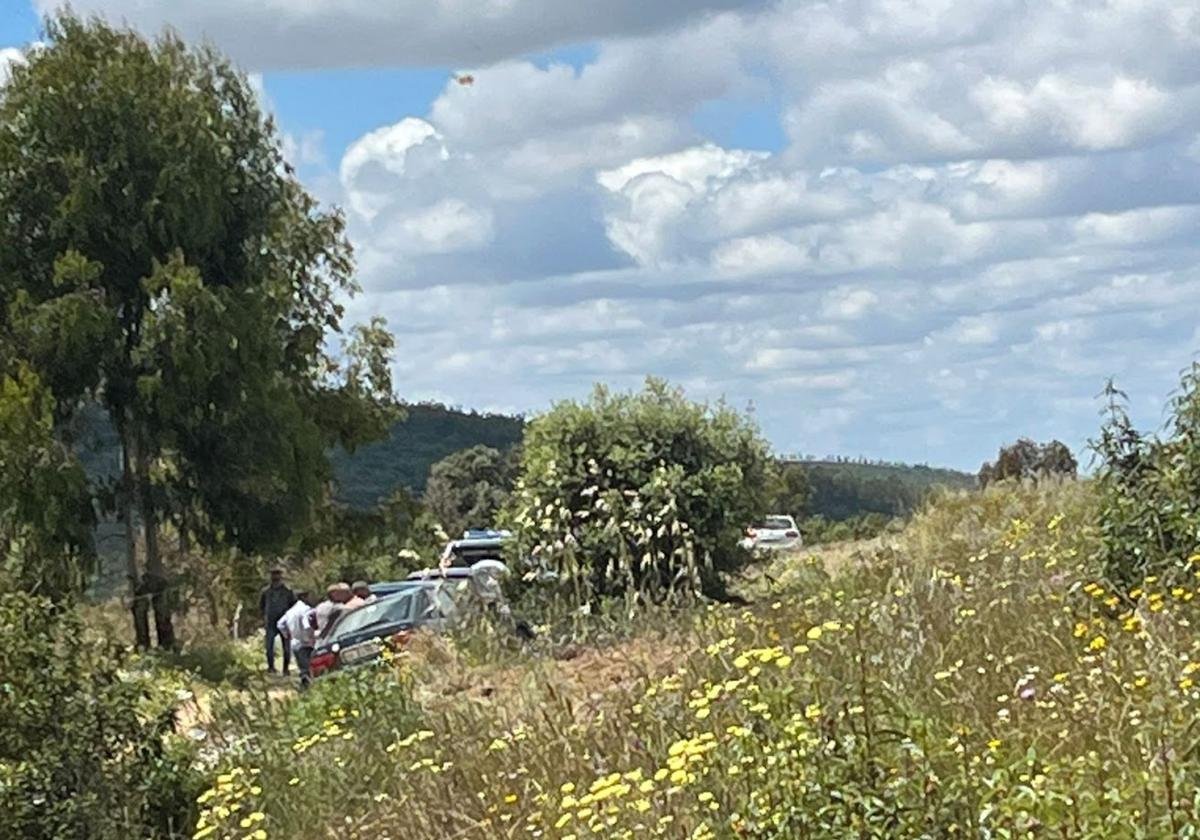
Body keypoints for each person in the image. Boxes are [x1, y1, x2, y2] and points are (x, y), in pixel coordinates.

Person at [276, 590, 317, 688]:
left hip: (294, 643)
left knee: (302, 668)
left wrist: (287, 635)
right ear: (304, 597)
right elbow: (307, 626)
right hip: (306, 643)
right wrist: (311, 637)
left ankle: (304, 689)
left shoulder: (290, 612)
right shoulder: (307, 610)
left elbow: (280, 624)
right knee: (309, 668)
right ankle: (309, 689)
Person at [260, 566, 295, 674]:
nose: (275, 576)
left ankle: (285, 669)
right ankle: (271, 667)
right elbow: (261, 605)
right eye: (273, 574)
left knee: (286, 647)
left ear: (281, 576)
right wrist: (264, 616)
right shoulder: (266, 591)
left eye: (277, 574)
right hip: (270, 622)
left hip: (284, 622)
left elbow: (293, 605)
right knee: (269, 646)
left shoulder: (288, 591)